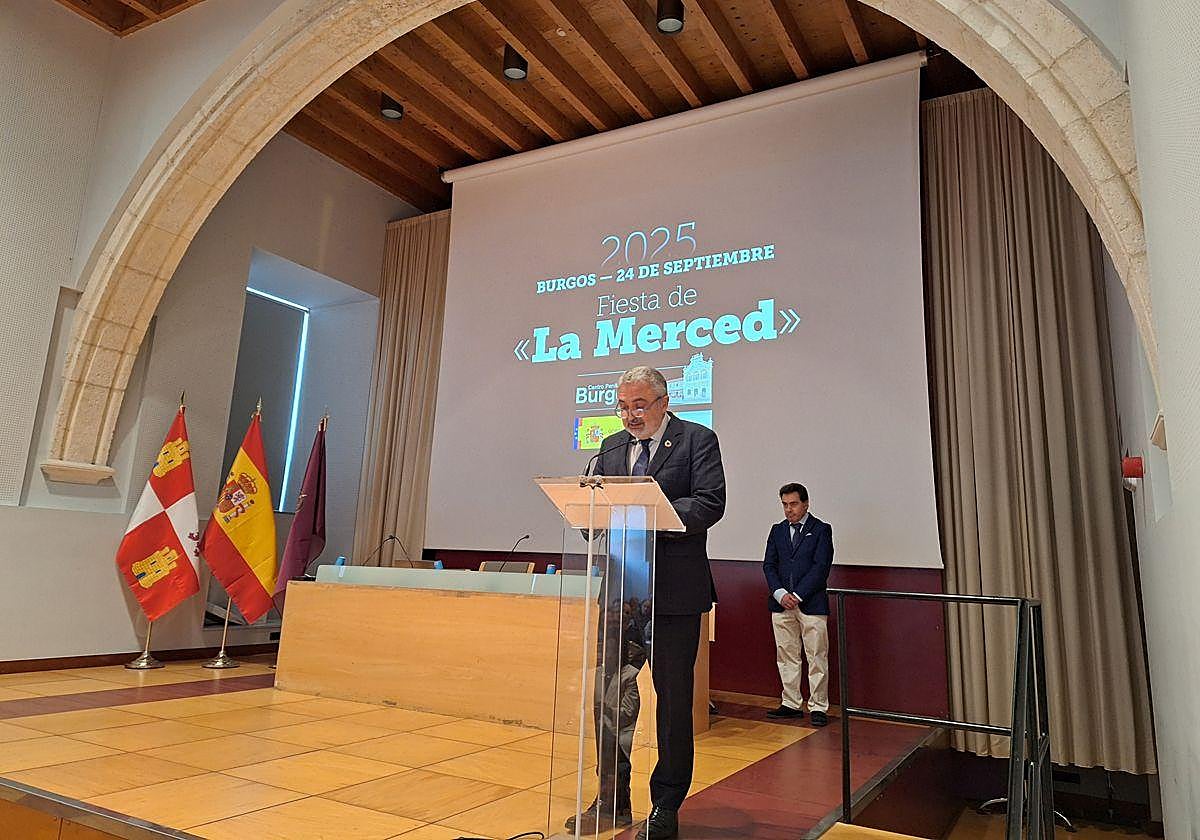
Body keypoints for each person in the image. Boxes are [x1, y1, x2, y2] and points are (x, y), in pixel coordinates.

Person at [565, 365, 725, 840]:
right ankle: (612, 798)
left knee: (673, 703)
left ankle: (666, 805)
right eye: (623, 406)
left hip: (675, 595)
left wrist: (653, 513)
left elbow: (711, 502)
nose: (630, 415)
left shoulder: (697, 440)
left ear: (662, 402)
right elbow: (592, 515)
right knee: (610, 698)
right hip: (622, 594)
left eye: (639, 405)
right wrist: (586, 510)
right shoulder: (611, 448)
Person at [762, 482, 834, 727]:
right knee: (786, 655)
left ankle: (818, 706)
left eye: (793, 504)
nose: (788, 510)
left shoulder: (821, 529)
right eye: (784, 505)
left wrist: (798, 594)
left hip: (811, 603)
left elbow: (821, 567)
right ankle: (791, 703)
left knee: (816, 656)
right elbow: (769, 565)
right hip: (781, 604)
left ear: (806, 504)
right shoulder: (777, 530)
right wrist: (781, 593)